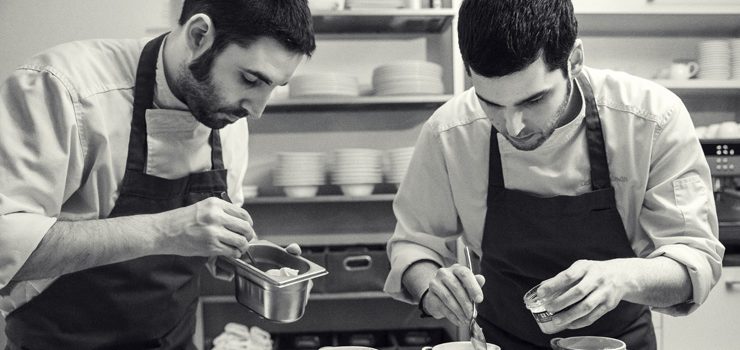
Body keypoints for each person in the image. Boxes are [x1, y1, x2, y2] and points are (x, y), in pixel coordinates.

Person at [383, 0, 725, 349]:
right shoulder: (450, 131)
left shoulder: (650, 118)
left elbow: (694, 259)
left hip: (617, 342)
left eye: (533, 101)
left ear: (574, 60)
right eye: (491, 104)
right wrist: (431, 286)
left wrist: (623, 277)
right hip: (500, 341)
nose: (512, 127)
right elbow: (413, 243)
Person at [0, 0, 315, 349]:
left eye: (274, 87)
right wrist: (165, 230)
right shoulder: (63, 89)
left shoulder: (227, 118)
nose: (257, 110)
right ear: (199, 35)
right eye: (251, 79)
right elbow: (6, 244)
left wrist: (244, 257)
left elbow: (205, 234)